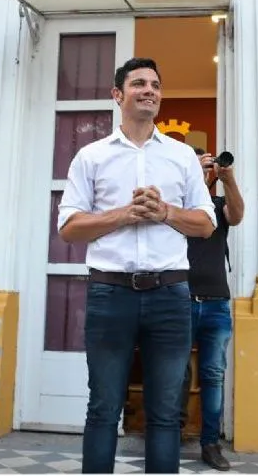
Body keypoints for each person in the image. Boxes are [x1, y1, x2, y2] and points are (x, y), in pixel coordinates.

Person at [58, 57, 216, 474]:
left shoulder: (182, 157)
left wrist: (164, 212)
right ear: (118, 94)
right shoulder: (91, 156)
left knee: (165, 412)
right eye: (139, 83)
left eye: (155, 85)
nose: (149, 90)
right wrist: (124, 215)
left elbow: (205, 224)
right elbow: (69, 227)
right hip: (110, 294)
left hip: (170, 296)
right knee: (103, 407)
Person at [179, 148, 245, 471]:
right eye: (199, 165)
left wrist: (227, 179)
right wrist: (200, 180)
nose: (207, 169)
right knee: (175, 371)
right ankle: (169, 434)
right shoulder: (178, 206)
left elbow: (237, 214)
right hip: (179, 299)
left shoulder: (219, 205)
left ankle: (210, 443)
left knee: (213, 375)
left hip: (216, 302)